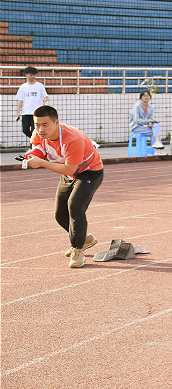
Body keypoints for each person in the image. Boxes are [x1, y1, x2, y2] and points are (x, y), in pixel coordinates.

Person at [25, 106, 104, 269]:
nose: (40, 129)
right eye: (37, 124)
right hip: (69, 173)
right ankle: (84, 238)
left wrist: (42, 163)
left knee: (75, 206)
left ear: (57, 123)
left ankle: (78, 250)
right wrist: (34, 156)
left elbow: (69, 169)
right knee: (60, 213)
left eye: (45, 125)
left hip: (90, 172)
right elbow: (39, 147)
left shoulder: (73, 138)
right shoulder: (38, 133)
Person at [15, 66, 49, 141]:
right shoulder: (23, 87)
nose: (33, 76)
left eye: (34, 75)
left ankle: (33, 144)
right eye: (31, 75)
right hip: (26, 112)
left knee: (35, 130)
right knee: (25, 129)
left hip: (36, 112)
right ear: (26, 75)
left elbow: (46, 96)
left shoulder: (39, 86)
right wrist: (18, 112)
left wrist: (44, 100)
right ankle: (35, 141)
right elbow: (20, 100)